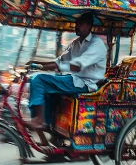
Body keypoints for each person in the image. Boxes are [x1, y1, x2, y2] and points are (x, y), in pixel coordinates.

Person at [24, 13, 107, 145]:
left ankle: (40, 120)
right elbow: (59, 61)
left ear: (89, 26)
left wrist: (41, 67)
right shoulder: (75, 44)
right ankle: (50, 129)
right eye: (77, 23)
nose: (77, 26)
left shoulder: (97, 44)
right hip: (74, 79)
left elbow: (77, 66)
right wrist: (37, 63)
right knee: (39, 84)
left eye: (81, 23)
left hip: (85, 83)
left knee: (39, 80)